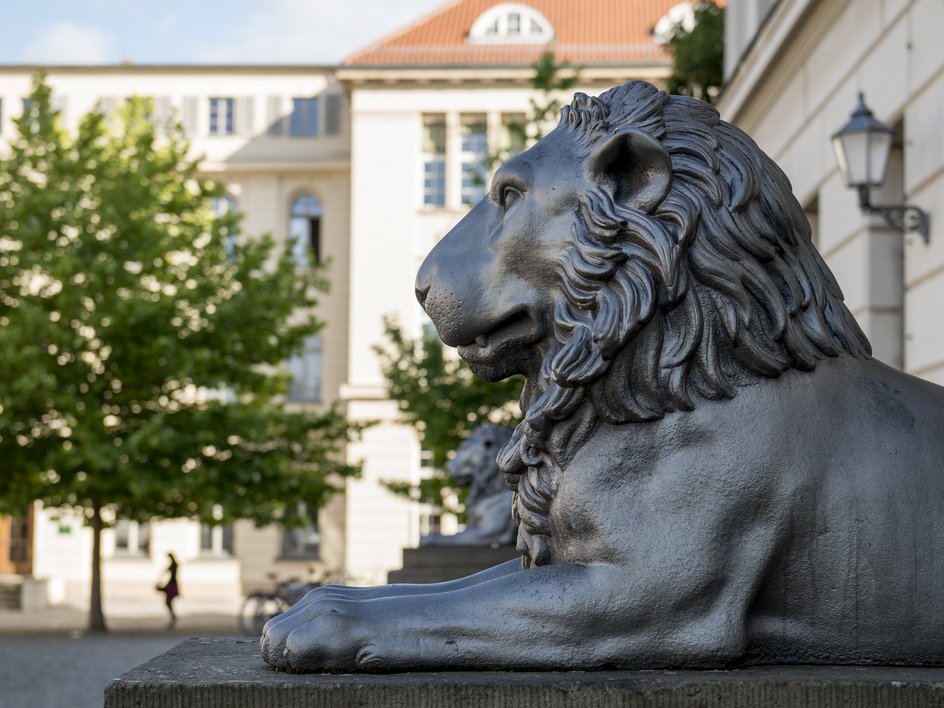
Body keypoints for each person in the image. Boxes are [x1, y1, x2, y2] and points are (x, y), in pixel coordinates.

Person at [157, 552, 180, 629]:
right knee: (168, 602)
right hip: (172, 583)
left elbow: (169, 572)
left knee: (168, 601)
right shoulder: (174, 564)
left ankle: (173, 617)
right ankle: (173, 617)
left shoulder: (174, 565)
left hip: (172, 583)